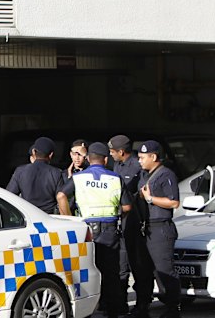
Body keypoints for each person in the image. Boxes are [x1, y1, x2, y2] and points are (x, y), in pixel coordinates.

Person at [56, 142, 131, 318]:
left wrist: (69, 219)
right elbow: (127, 207)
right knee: (110, 272)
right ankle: (111, 310)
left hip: (86, 230)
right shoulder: (115, 178)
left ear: (88, 159)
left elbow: (61, 196)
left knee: (85, 270)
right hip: (109, 231)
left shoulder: (79, 178)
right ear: (106, 160)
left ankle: (86, 311)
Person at [137, 140, 181, 318]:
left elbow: (174, 202)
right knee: (144, 270)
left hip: (160, 228)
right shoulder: (146, 174)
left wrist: (150, 199)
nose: (139, 161)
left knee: (164, 269)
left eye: (142, 157)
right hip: (146, 228)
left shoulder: (166, 175)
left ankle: (172, 307)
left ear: (153, 156)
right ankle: (143, 306)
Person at [108, 135, 146, 316]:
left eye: (112, 151)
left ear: (121, 152)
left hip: (135, 223)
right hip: (121, 223)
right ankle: (121, 304)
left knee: (138, 266)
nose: (110, 155)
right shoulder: (117, 166)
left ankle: (142, 305)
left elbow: (139, 195)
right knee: (121, 267)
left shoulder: (138, 167)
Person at [6, 137, 64, 214]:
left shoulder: (20, 171)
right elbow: (62, 198)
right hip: (49, 217)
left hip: (27, 216)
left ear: (34, 152)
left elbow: (9, 195)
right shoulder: (56, 173)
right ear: (51, 155)